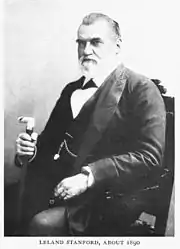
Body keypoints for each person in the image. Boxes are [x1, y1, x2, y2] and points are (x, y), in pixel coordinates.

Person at [15, 13, 166, 236]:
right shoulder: (71, 90)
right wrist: (30, 151)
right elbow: (48, 145)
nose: (86, 51)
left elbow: (149, 157)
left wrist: (88, 177)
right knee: (9, 204)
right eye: (81, 43)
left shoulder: (141, 90)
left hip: (106, 198)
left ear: (117, 46)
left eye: (95, 42)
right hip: (59, 187)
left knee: (42, 224)